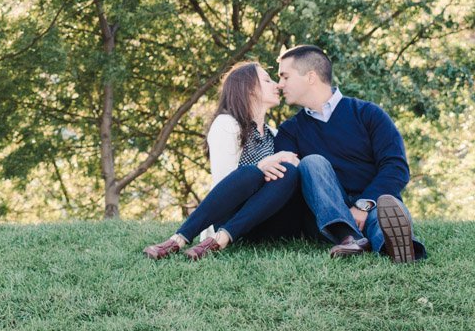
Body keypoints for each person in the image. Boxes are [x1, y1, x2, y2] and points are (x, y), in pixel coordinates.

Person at [272, 44, 427, 263]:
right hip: (326, 214)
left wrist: (363, 205)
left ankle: (398, 248)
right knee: (312, 163)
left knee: (384, 213)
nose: (279, 85)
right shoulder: (290, 131)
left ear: (310, 77)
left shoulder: (368, 113)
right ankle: (348, 237)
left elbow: (396, 167)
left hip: (372, 202)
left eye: (285, 77)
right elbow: (286, 182)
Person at [143, 62, 302, 260]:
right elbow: (226, 186)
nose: (277, 85)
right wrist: (262, 167)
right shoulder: (227, 125)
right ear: (249, 88)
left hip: (261, 220)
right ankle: (179, 239)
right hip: (229, 216)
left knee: (288, 171)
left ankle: (220, 241)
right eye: (267, 80)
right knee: (251, 173)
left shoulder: (274, 134)